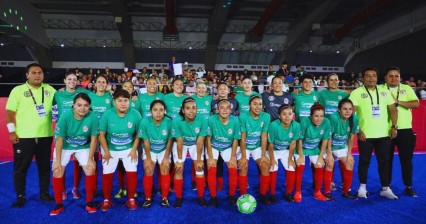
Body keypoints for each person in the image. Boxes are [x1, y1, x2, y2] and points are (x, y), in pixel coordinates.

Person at [6, 63, 56, 207]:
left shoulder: (50, 90)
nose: (37, 75)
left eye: (40, 72)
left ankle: (44, 193)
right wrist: (11, 131)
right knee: (21, 167)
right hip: (24, 137)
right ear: (27, 75)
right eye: (33, 73)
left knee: (45, 167)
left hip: (45, 136)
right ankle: (20, 196)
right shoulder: (18, 90)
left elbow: (60, 106)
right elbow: (9, 112)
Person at [349, 68, 398, 199]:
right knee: (364, 161)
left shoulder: (384, 91)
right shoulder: (356, 92)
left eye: (374, 76)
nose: (371, 78)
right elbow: (351, 114)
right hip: (365, 135)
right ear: (363, 78)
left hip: (383, 134)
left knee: (384, 162)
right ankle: (362, 187)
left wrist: (394, 126)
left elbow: (393, 110)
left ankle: (385, 188)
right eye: (368, 76)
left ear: (377, 78)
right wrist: (358, 130)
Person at [49, 93, 99, 215]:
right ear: (73, 105)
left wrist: (91, 159)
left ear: (89, 106)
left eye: (86, 105)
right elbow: (59, 139)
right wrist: (57, 161)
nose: (83, 108)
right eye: (79, 105)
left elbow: (94, 140)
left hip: (83, 146)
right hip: (65, 146)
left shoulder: (92, 117)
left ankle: (89, 203)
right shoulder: (65, 116)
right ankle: (58, 204)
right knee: (57, 170)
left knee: (90, 168)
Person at [98, 89, 141, 211]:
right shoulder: (107, 114)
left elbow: (138, 134)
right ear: (114, 102)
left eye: (126, 100)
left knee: (132, 173)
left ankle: (131, 199)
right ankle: (106, 200)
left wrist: (134, 150)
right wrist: (106, 152)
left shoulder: (136, 114)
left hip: (129, 149)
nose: (123, 103)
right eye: (120, 100)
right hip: (110, 149)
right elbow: (101, 134)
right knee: (107, 174)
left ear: (130, 101)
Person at [379, 67, 419, 197]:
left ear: (400, 77)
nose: (394, 78)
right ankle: (386, 186)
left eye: (396, 76)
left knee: (406, 160)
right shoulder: (379, 89)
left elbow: (416, 104)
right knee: (386, 160)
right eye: (391, 76)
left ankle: (408, 186)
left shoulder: (406, 88)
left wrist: (397, 102)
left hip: (405, 130)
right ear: (385, 78)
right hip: (385, 130)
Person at [53, 72, 88, 200]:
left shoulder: (83, 93)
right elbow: (51, 109)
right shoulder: (58, 94)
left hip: (79, 133)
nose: (72, 81)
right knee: (60, 164)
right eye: (69, 79)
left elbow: (95, 98)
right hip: (62, 134)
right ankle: (62, 189)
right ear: (64, 80)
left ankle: (75, 188)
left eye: (74, 79)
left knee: (79, 163)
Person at [171, 98, 209, 207]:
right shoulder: (177, 120)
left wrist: (198, 160)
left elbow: (200, 141)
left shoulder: (202, 120)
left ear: (197, 109)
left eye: (193, 108)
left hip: (195, 144)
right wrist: (178, 161)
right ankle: (178, 198)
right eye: (188, 108)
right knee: (179, 169)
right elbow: (179, 142)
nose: (191, 111)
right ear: (183, 110)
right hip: (181, 144)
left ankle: (201, 197)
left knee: (199, 168)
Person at [206, 99, 241, 207]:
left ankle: (231, 196)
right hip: (213, 146)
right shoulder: (211, 119)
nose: (225, 110)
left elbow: (236, 139)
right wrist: (211, 157)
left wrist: (232, 157)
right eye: (222, 108)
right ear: (217, 110)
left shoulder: (235, 121)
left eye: (227, 108)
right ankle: (213, 196)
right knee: (212, 168)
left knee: (233, 168)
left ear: (231, 110)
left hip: (227, 147)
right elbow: (208, 139)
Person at [139, 100, 173, 208]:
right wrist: (148, 158)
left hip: (164, 149)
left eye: (161, 110)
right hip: (150, 150)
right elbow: (146, 142)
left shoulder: (169, 122)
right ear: (150, 111)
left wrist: (166, 157)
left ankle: (164, 198)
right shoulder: (144, 122)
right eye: (155, 110)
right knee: (148, 169)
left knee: (165, 168)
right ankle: (148, 198)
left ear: (165, 111)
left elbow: (170, 141)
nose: (158, 113)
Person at [239, 96, 271, 204]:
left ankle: (263, 194)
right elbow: (243, 138)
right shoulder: (243, 117)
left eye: (260, 104)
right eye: (255, 104)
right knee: (243, 167)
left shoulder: (266, 116)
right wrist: (243, 157)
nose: (258, 107)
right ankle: (243, 195)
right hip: (244, 147)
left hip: (257, 146)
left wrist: (263, 155)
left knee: (265, 166)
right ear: (249, 106)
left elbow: (264, 136)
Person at [267, 104, 302, 202]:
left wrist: (290, 159)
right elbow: (270, 144)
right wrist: (272, 159)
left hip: (286, 150)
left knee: (291, 168)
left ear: (293, 115)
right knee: (273, 168)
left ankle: (288, 193)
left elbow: (293, 144)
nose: (287, 116)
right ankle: (272, 194)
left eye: (289, 114)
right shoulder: (273, 125)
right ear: (279, 116)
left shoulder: (296, 125)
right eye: (284, 114)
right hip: (273, 150)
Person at [299, 103, 333, 201]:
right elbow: (299, 140)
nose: (319, 119)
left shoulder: (326, 122)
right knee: (300, 165)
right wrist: (301, 155)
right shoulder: (304, 122)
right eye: (316, 116)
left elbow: (325, 140)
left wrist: (320, 156)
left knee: (319, 164)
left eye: (321, 116)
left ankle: (317, 192)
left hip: (315, 149)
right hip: (302, 148)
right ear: (311, 116)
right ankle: (297, 191)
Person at [114, 81, 142, 199]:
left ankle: (132, 189)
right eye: (125, 86)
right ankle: (122, 188)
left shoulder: (137, 101)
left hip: (134, 138)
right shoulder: (116, 102)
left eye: (130, 87)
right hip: (118, 140)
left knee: (133, 164)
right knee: (120, 166)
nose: (128, 88)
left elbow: (139, 118)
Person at [329, 99, 359, 199]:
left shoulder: (354, 118)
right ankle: (327, 188)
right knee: (329, 163)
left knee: (350, 162)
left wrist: (349, 153)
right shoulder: (334, 117)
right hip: (329, 144)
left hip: (341, 145)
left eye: (350, 109)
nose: (348, 111)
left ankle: (346, 191)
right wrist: (329, 153)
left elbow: (351, 137)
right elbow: (328, 137)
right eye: (345, 109)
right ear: (339, 110)